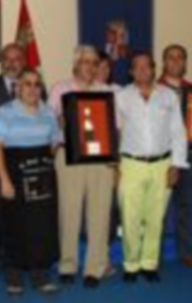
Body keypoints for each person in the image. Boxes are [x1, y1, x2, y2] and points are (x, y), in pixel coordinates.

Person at [116, 51, 188, 284]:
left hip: (162, 164)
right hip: (131, 164)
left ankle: (149, 264)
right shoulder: (121, 97)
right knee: (130, 217)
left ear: (154, 69)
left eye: (146, 66)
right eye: (137, 67)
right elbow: (114, 132)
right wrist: (115, 165)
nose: (142, 70)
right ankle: (131, 264)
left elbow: (178, 131)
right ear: (131, 71)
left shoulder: (168, 96)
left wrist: (176, 165)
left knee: (155, 218)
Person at [49, 45, 115, 288]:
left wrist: (114, 160)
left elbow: (116, 127)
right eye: (85, 62)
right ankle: (67, 264)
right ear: (75, 65)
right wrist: (59, 121)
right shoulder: (60, 89)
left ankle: (95, 268)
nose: (91, 67)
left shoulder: (106, 91)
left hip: (100, 159)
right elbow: (46, 122)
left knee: (100, 212)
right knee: (69, 211)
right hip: (69, 156)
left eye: (95, 62)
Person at [0, 68, 61, 296]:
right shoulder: (4, 112)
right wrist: (4, 180)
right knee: (14, 225)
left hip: (43, 178)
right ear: (17, 88)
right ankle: (13, 275)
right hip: (14, 176)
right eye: (27, 84)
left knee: (42, 225)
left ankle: (39, 274)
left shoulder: (48, 112)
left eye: (36, 84)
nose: (32, 89)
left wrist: (41, 164)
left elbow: (54, 144)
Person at [157, 44, 192, 270]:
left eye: (180, 58)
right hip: (162, 156)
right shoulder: (153, 89)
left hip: (189, 155)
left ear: (185, 62)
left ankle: (186, 253)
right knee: (159, 208)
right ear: (164, 62)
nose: (175, 62)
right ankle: (153, 256)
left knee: (186, 207)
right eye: (171, 57)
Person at [0, 43, 27, 108]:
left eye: (16, 59)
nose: (11, 63)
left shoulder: (35, 88)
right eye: (7, 59)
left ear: (24, 62)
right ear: (1, 62)